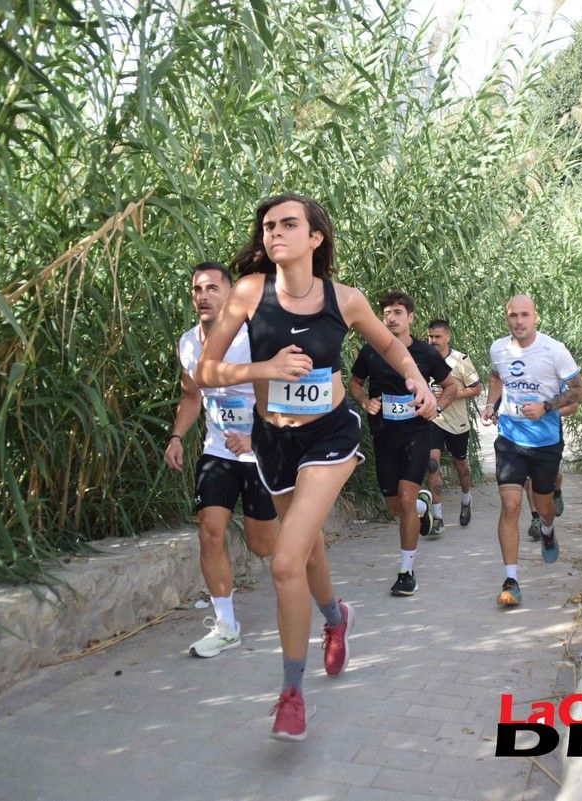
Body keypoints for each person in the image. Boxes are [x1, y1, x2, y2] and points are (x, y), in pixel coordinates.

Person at [195, 194, 437, 742]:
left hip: (331, 435)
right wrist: (266, 366)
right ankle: (335, 618)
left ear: (314, 238)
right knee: (310, 553)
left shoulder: (345, 300)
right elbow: (206, 370)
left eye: (288, 224)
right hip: (273, 441)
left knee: (285, 562)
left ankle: (289, 695)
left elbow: (394, 350)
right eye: (268, 226)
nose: (275, 232)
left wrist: (419, 380)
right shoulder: (250, 294)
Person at [165, 262, 278, 658]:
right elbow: (191, 397)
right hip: (217, 451)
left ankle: (300, 556)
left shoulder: (254, 339)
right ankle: (226, 625)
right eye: (197, 289)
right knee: (210, 530)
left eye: (213, 288)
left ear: (231, 296)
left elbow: (282, 394)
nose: (203, 295)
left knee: (262, 545)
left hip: (260, 451)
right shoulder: (188, 343)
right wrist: (177, 436)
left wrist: (255, 436)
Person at [480, 295, 582, 607]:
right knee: (510, 504)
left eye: (525, 315)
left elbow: (579, 390)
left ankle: (548, 527)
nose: (519, 321)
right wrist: (490, 403)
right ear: (506, 318)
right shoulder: (498, 348)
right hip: (510, 439)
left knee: (543, 504)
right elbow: (496, 376)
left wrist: (547, 406)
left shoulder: (554, 350)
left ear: (535, 317)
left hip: (545, 441)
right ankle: (511, 580)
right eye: (513, 315)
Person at [349, 294, 456, 597]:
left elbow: (451, 386)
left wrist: (436, 405)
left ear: (410, 318)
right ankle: (423, 507)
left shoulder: (424, 353)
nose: (391, 318)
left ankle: (406, 571)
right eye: (386, 313)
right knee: (396, 506)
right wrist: (365, 401)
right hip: (384, 435)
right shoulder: (371, 351)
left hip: (417, 433)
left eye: (398, 312)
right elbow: (354, 383)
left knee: (405, 501)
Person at [425, 318, 482, 530]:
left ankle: (466, 498)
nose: (433, 341)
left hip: (457, 422)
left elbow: (477, 388)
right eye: (430, 336)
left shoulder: (460, 360)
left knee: (461, 466)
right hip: (433, 419)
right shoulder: (422, 357)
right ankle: (437, 518)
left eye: (438, 337)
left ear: (448, 337)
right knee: (432, 465)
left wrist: (451, 392)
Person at [525, 380, 582, 540]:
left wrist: (545, 412)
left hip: (550, 436)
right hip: (523, 435)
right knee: (530, 479)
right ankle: (536, 519)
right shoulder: (518, 374)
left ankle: (556, 492)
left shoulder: (555, 378)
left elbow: (573, 406)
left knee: (554, 475)